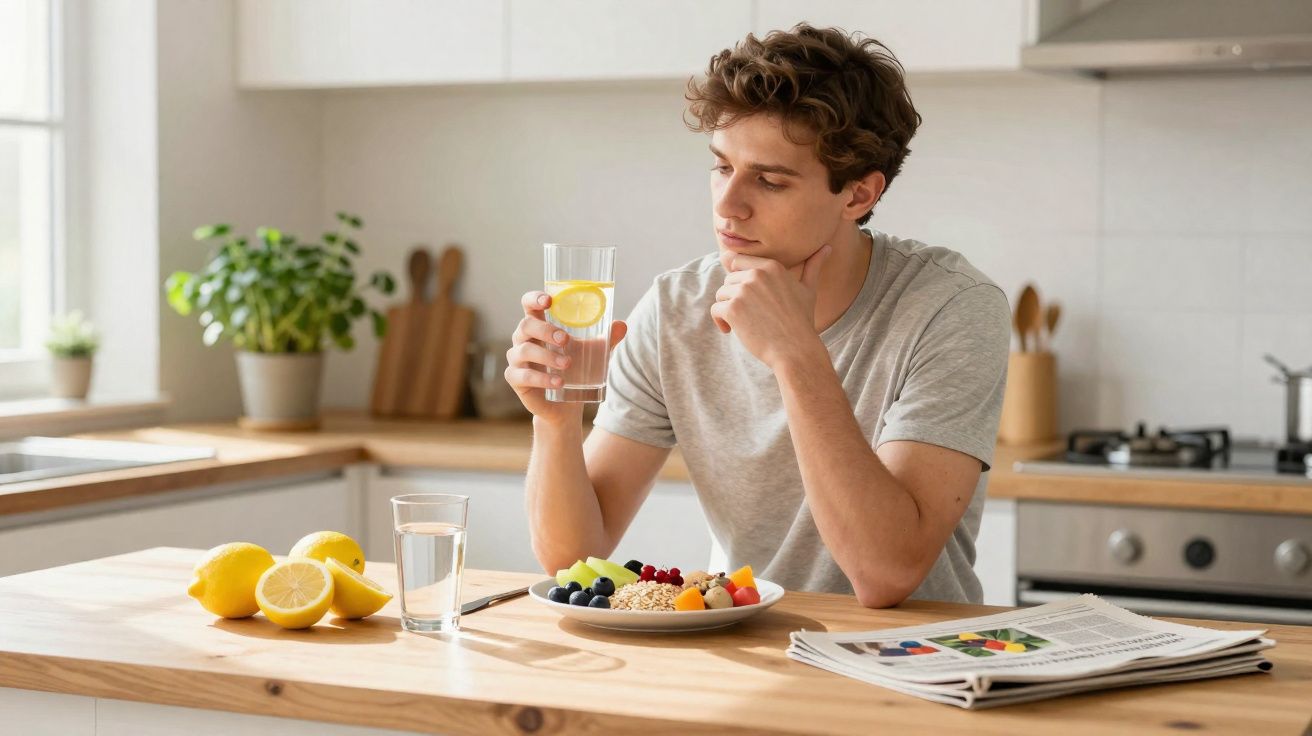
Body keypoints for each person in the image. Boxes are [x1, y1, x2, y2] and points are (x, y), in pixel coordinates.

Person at [505, 24, 1010, 607]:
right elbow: (572, 558)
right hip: (744, 640)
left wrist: (796, 354)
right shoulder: (676, 308)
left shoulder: (950, 306)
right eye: (722, 168)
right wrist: (556, 423)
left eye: (769, 180)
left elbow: (886, 574)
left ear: (857, 196)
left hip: (909, 657)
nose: (727, 204)